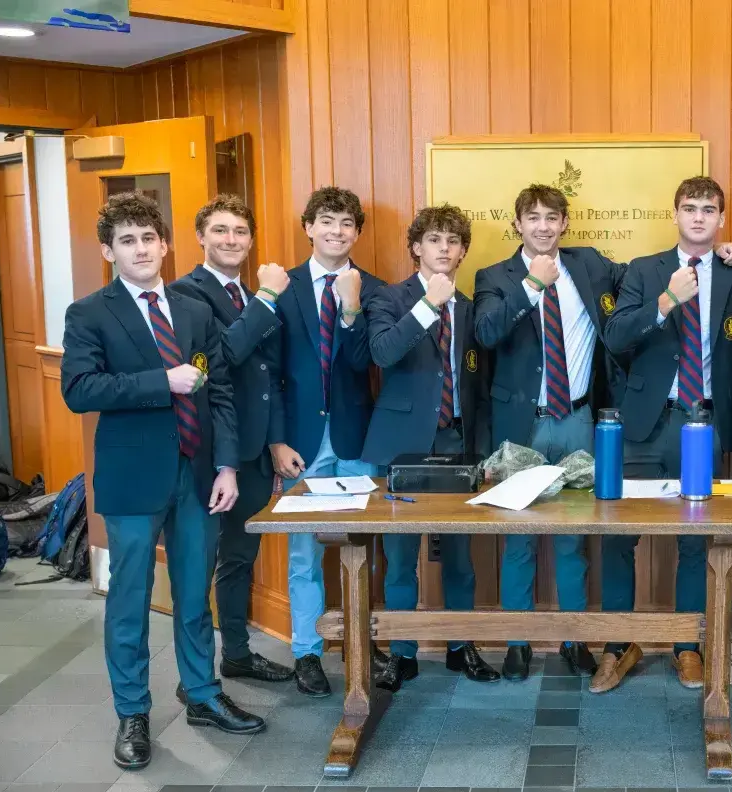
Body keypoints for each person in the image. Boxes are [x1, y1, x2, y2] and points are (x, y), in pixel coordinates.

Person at [61, 192, 264, 771]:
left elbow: (220, 390)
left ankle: (200, 694)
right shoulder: (90, 313)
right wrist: (161, 381)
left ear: (166, 244)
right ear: (109, 251)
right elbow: (79, 390)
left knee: (194, 592)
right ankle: (132, 712)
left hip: (199, 474)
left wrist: (227, 464)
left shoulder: (193, 309)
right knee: (130, 600)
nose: (142, 249)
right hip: (131, 477)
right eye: (128, 240)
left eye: (150, 238)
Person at [597, 176, 732, 693]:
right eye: (690, 208)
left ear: (721, 219)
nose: (700, 217)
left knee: (694, 541)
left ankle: (688, 645)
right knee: (619, 536)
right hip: (646, 423)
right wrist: (665, 301)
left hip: (702, 424)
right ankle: (618, 644)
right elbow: (615, 336)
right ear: (675, 214)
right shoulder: (645, 271)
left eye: (710, 209)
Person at [471, 184, 628, 682]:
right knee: (518, 540)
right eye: (532, 217)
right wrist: (531, 287)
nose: (542, 226)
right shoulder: (495, 276)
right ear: (516, 223)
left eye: (551, 217)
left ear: (564, 223)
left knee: (572, 539)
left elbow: (646, 276)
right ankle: (517, 641)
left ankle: (573, 639)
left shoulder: (590, 265)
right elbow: (487, 332)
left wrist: (721, 255)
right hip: (523, 426)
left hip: (578, 420)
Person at [361, 204, 500, 691]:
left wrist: (481, 449)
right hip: (402, 447)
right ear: (416, 247)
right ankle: (402, 653)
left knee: (461, 555)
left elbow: (476, 385)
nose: (444, 248)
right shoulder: (389, 298)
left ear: (463, 251)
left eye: (453, 241)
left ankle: (462, 647)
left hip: (457, 442)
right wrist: (427, 307)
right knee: (400, 558)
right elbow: (381, 353)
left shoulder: (471, 306)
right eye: (434, 239)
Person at [169, 194, 295, 685]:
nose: (231, 240)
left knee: (241, 558)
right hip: (211, 453)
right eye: (220, 231)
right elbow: (226, 353)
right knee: (200, 564)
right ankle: (194, 675)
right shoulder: (186, 294)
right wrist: (266, 299)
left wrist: (277, 440)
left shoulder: (250, 293)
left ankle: (237, 654)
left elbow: (271, 375)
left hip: (256, 448)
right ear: (200, 237)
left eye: (240, 232)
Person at [268, 186, 387, 697]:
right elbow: (268, 372)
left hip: (355, 437)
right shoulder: (284, 288)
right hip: (301, 441)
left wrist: (352, 311)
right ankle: (307, 654)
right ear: (308, 227)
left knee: (365, 549)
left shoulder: (374, 289)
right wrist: (275, 441)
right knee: (303, 556)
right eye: (328, 221)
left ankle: (365, 640)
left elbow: (366, 363)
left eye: (347, 224)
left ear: (358, 232)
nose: (337, 232)